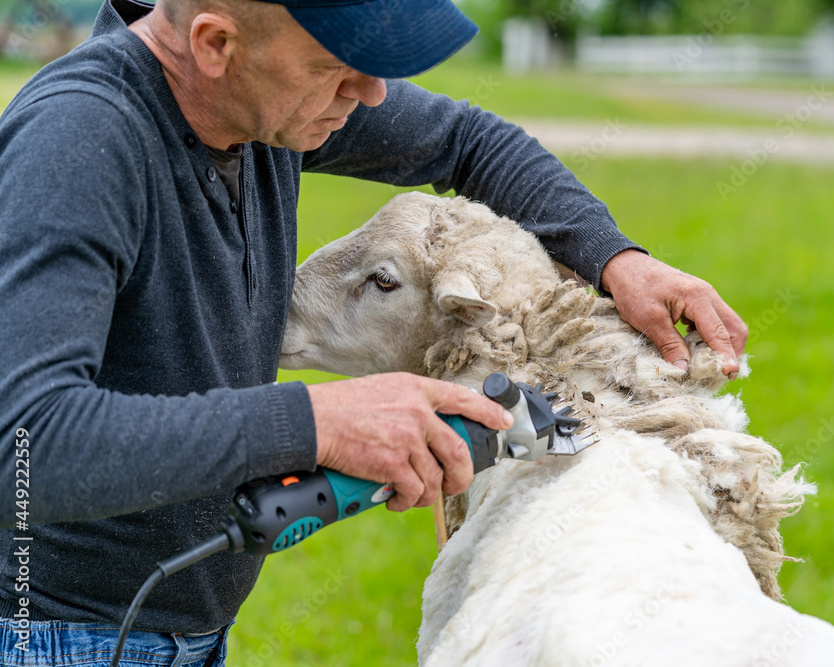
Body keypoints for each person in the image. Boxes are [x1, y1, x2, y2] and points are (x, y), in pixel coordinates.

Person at [0, 0, 747, 663]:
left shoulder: (260, 102)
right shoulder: (79, 144)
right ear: (215, 44)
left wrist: (614, 257)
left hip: (183, 627)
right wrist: (317, 419)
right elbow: (25, 443)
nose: (372, 93)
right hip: (60, 635)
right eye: (337, 67)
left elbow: (466, 140)